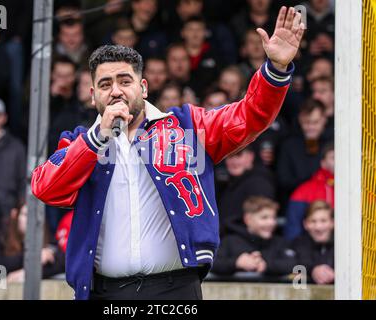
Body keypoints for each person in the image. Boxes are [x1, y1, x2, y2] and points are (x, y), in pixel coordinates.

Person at [31, 6, 304, 300]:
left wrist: (275, 70)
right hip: (104, 292)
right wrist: (97, 139)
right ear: (93, 94)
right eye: (105, 84)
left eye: (125, 81)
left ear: (143, 87)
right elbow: (45, 188)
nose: (116, 91)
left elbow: (249, 117)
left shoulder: (188, 126)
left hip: (176, 290)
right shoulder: (79, 142)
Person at [211, 196, 296, 278]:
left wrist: (266, 265)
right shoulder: (230, 241)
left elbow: (294, 263)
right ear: (248, 219)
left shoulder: (280, 242)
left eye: (273, 218)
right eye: (264, 218)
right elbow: (212, 263)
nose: (271, 223)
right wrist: (236, 262)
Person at [0, 203, 65, 282]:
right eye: (26, 215)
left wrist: (26, 273)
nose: (31, 220)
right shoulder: (0, 237)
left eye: (35, 215)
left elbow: (62, 263)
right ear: (15, 215)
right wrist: (34, 257)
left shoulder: (47, 237)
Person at [216, 146, 276, 238]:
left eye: (238, 155)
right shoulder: (225, 183)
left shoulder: (259, 183)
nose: (234, 161)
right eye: (229, 156)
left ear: (250, 156)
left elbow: (260, 222)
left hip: (247, 243)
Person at [277, 98, 330, 199]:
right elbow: (283, 181)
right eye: (306, 122)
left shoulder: (333, 143)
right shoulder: (288, 145)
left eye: (315, 122)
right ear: (300, 119)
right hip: (298, 201)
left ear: (324, 119)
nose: (311, 127)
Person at [284, 143, 334, 241]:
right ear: (323, 163)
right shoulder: (304, 190)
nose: (339, 161)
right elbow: (294, 229)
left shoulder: (358, 189)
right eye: (333, 157)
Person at [290, 200, 334, 284]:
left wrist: (338, 275)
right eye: (313, 221)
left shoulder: (344, 245)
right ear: (305, 224)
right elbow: (288, 265)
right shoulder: (298, 244)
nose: (318, 227)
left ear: (332, 223)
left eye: (323, 221)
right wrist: (312, 270)